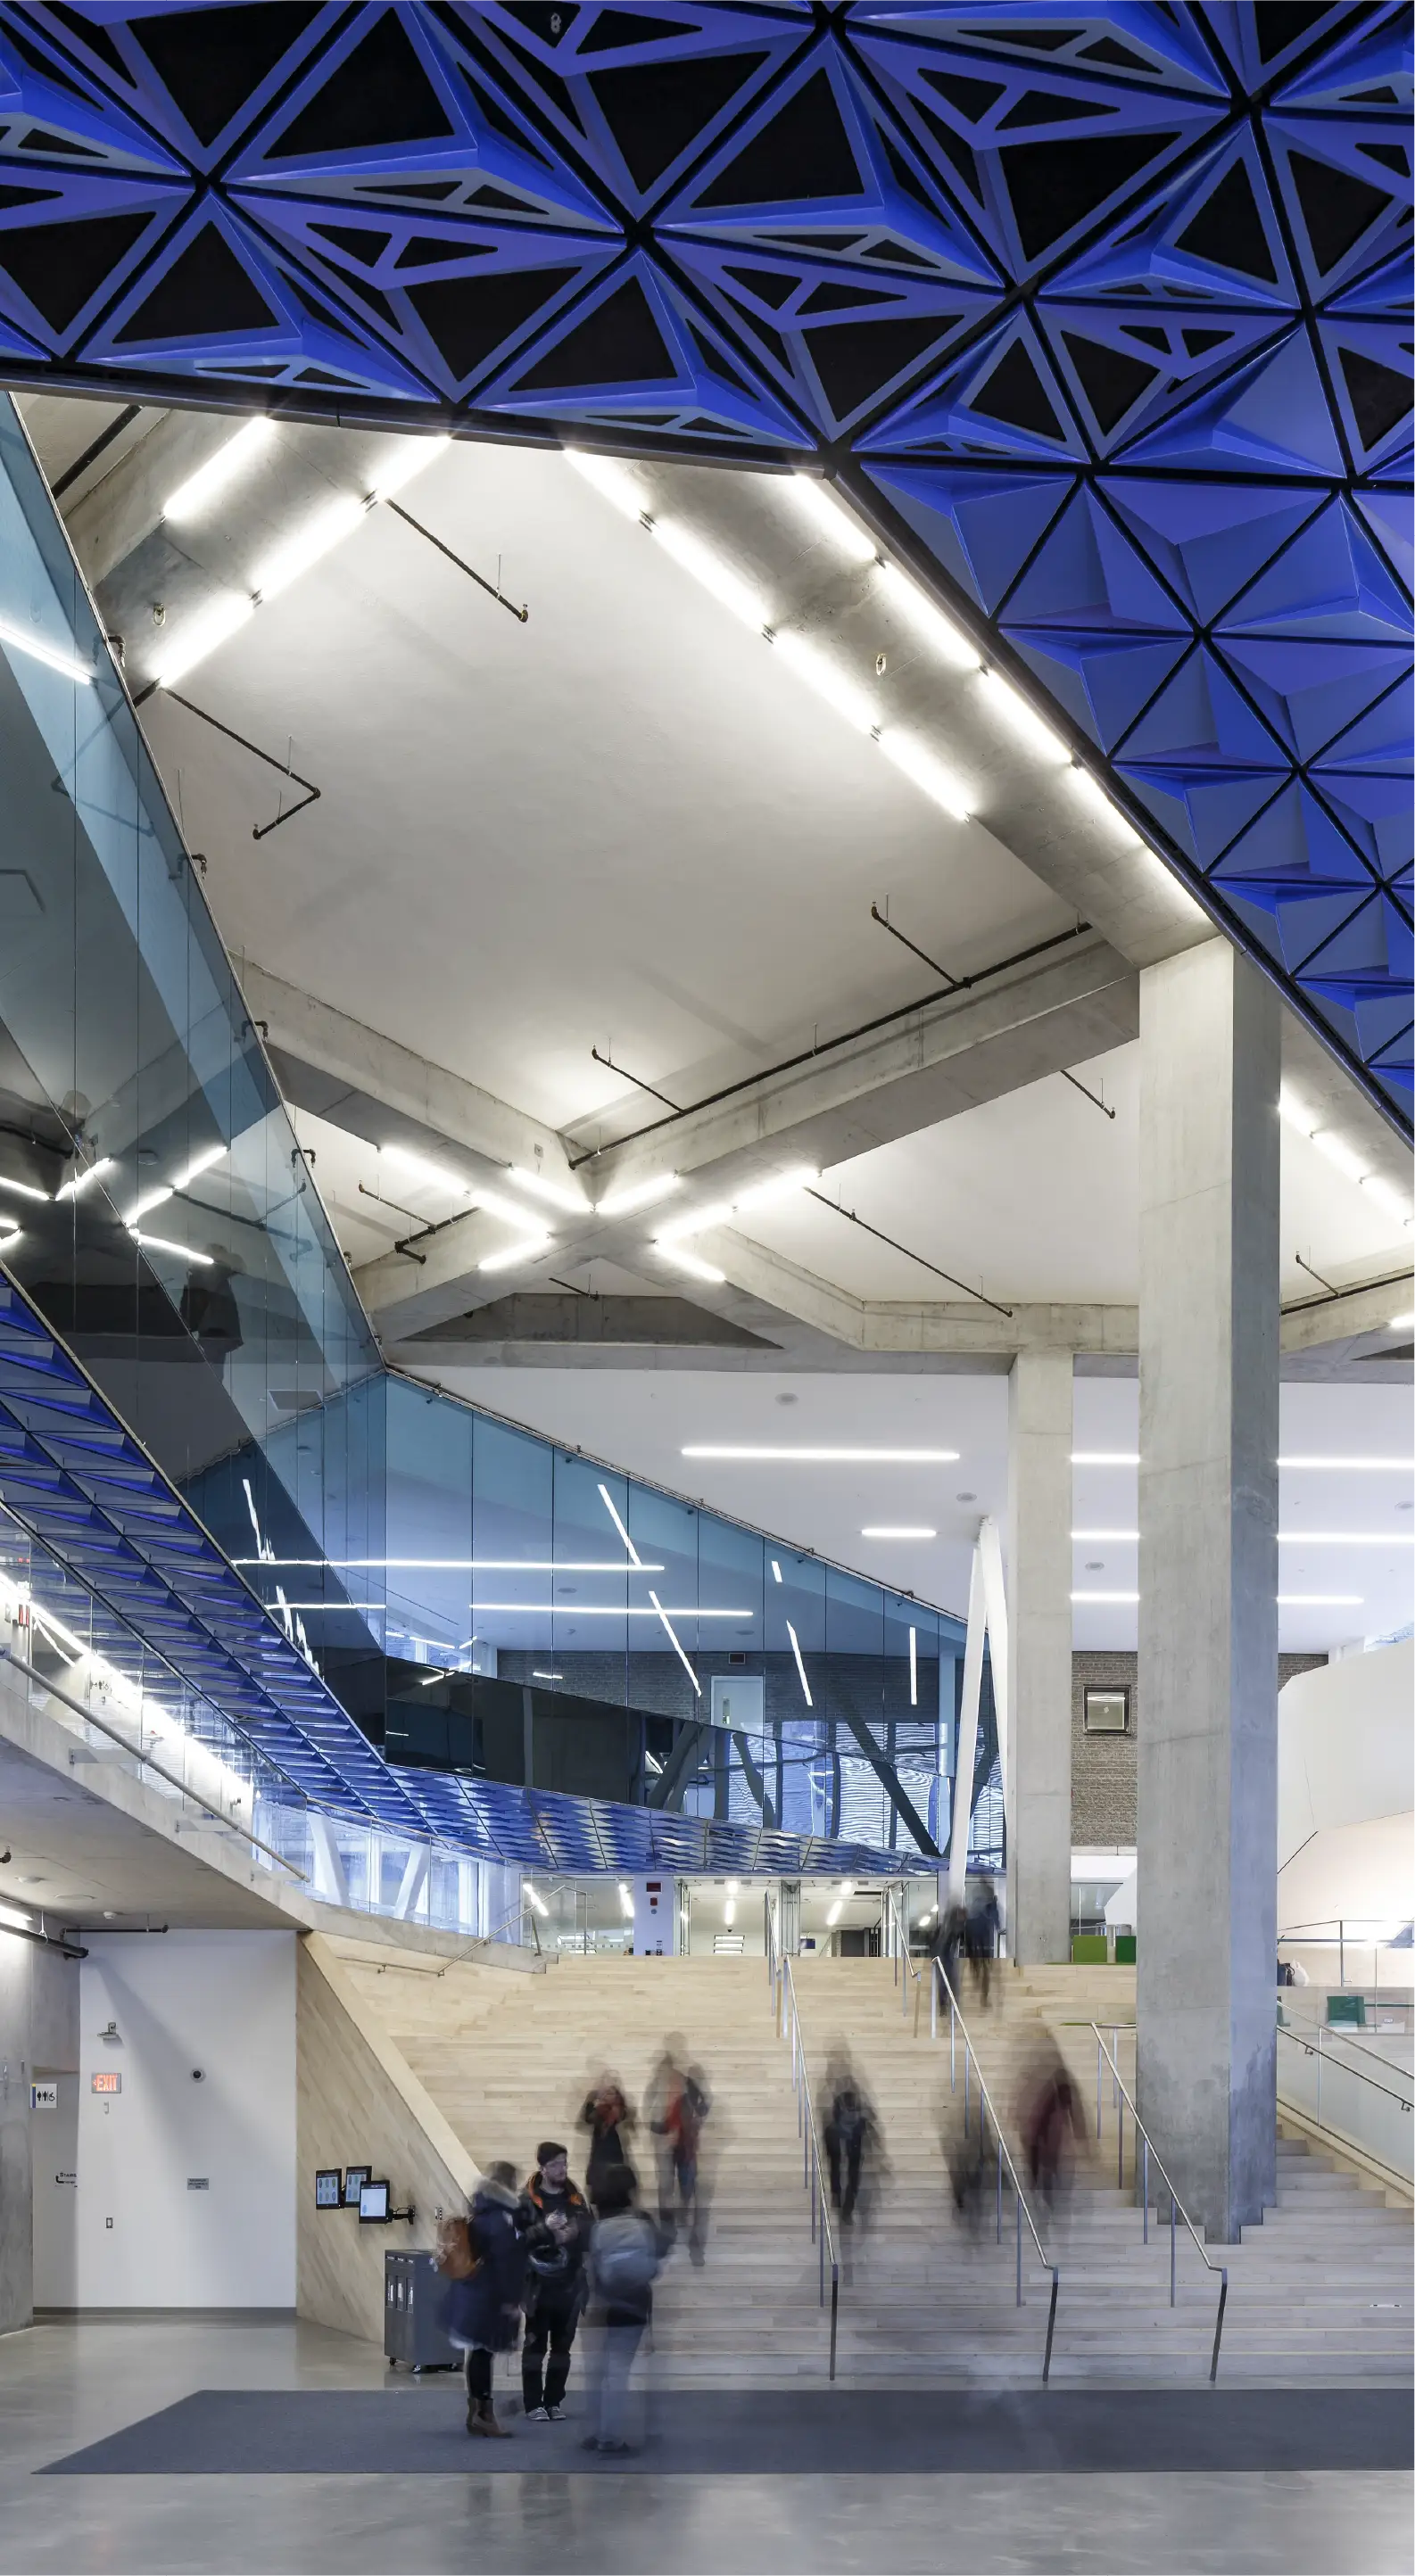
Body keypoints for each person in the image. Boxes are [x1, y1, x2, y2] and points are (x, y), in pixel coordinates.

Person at [582, 2166, 665, 2456]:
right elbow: (654, 2267)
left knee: (601, 2373)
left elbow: (593, 2270)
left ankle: (601, 2432)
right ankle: (611, 2436)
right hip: (635, 2307)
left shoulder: (599, 2227)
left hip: (605, 2306)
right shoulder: (642, 2223)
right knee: (618, 2371)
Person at [443, 2159, 527, 2439]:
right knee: (482, 2354)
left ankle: (477, 2412)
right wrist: (512, 2300)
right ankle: (483, 2415)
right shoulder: (501, 2218)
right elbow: (506, 2263)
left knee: (478, 2353)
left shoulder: (481, 2211)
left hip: (474, 2293)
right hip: (489, 2296)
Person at [519, 2141, 591, 2421]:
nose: (562, 2169)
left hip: (570, 2285)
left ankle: (553, 2401)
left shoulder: (575, 2197)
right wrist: (545, 2229)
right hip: (538, 2286)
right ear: (542, 2167)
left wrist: (576, 2232)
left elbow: (591, 2231)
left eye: (564, 2163)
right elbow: (518, 2241)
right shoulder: (526, 2200)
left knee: (562, 2349)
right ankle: (533, 2404)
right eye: (556, 2164)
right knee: (535, 2348)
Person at [646, 2036, 710, 2264]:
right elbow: (652, 2116)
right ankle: (669, 2227)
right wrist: (655, 2128)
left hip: (685, 2146)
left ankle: (684, 2212)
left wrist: (697, 2118)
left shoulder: (686, 2085)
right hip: (667, 2146)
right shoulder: (657, 2087)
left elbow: (704, 2104)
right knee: (665, 2186)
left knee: (686, 2183)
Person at [1017, 2040, 1086, 2216]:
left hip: (1047, 2135)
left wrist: (1081, 2133)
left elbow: (1073, 2107)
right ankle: (1042, 2203)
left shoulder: (1057, 2079)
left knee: (1046, 2169)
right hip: (1041, 2135)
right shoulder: (1042, 2077)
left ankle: (1044, 2204)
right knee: (1043, 2168)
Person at [820, 2045, 876, 2228]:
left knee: (850, 2173)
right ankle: (839, 2197)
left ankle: (844, 2205)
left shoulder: (855, 2117)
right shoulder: (834, 2127)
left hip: (849, 2140)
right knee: (841, 2168)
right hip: (841, 2137)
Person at [578, 2075, 637, 2211]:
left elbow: (625, 2119)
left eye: (610, 2093)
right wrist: (591, 2098)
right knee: (599, 2193)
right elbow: (587, 2119)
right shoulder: (598, 2112)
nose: (606, 2096)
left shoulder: (620, 2111)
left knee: (618, 2191)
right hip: (599, 2155)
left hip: (614, 2155)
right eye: (605, 2093)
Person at [964, 1875, 1001, 2010]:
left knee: (982, 1965)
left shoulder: (979, 1898)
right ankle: (982, 1994)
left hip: (978, 1933)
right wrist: (997, 1925)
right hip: (980, 1933)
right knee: (983, 1965)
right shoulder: (986, 1899)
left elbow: (993, 1913)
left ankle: (982, 1992)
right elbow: (994, 1913)